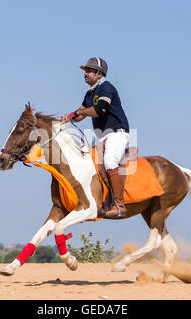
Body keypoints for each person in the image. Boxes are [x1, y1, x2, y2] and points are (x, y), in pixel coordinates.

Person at [62, 57, 130, 217]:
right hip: (101, 135)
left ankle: (119, 205)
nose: (85, 73)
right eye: (85, 70)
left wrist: (78, 113)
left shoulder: (107, 88)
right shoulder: (90, 93)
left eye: (89, 70)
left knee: (109, 162)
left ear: (99, 73)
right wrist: (68, 118)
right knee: (87, 162)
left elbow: (99, 110)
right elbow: (81, 114)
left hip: (117, 132)